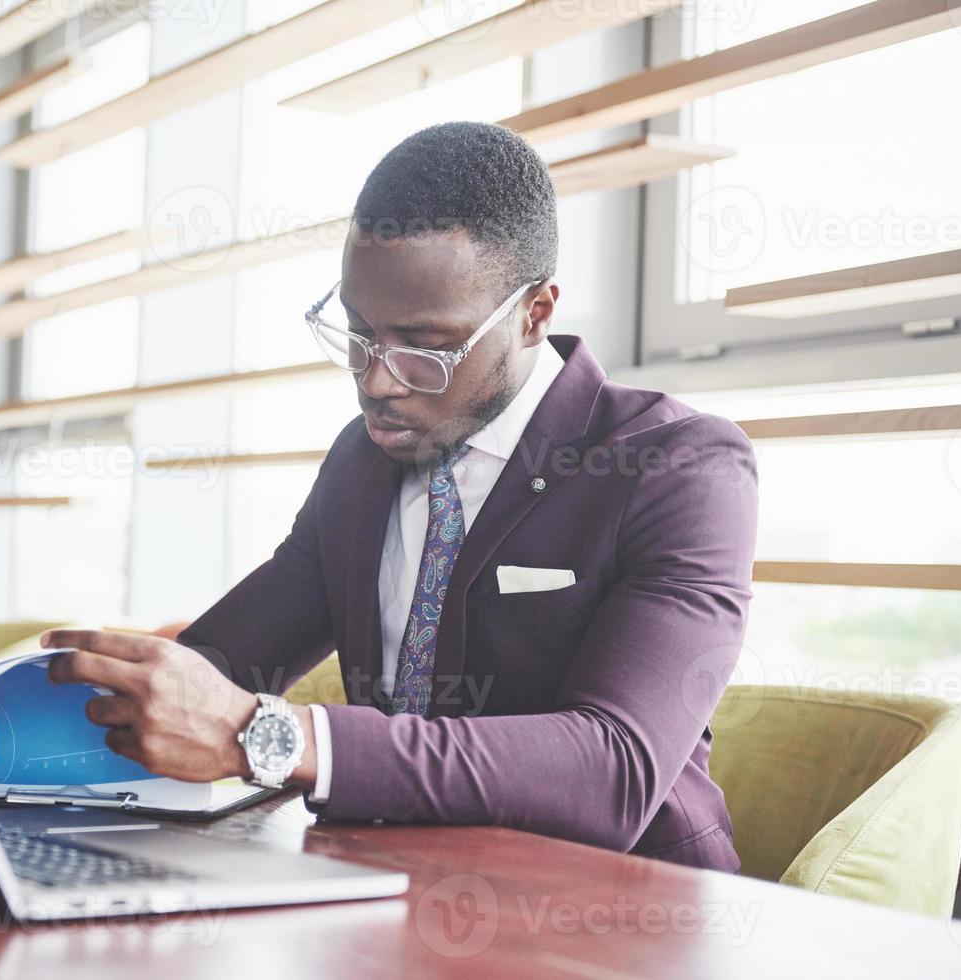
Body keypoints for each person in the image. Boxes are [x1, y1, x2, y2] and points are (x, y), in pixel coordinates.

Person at [42, 121, 757, 872]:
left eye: (423, 349)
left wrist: (267, 736)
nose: (377, 381)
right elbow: (222, 666)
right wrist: (30, 715)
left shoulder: (677, 464)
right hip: (398, 885)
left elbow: (613, 770)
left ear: (533, 312)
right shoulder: (363, 460)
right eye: (357, 335)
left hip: (625, 909)